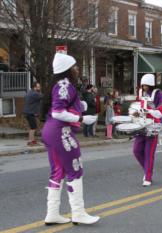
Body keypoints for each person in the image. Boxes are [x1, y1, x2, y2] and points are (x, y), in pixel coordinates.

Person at [41, 53, 99, 225]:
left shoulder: (58, 84)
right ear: (68, 69)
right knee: (75, 170)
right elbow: (58, 111)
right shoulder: (65, 84)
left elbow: (60, 106)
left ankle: (52, 214)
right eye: (75, 66)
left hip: (50, 131)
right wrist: (81, 119)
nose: (77, 69)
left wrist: (81, 106)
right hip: (61, 132)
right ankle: (78, 213)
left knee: (57, 172)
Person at [132, 74, 162, 186]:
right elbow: (140, 107)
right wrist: (138, 112)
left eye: (146, 85)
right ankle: (147, 170)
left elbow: (160, 113)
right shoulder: (142, 93)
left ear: (151, 84)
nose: (143, 87)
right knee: (136, 150)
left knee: (149, 153)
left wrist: (149, 111)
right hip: (142, 125)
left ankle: (148, 177)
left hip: (153, 126)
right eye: (142, 85)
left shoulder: (159, 94)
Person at [23, 81, 43, 146]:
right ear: (34, 87)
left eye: (39, 86)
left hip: (28, 112)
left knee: (33, 127)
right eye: (38, 87)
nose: (39, 88)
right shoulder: (35, 94)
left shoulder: (30, 92)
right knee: (33, 128)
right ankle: (31, 141)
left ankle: (32, 141)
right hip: (30, 113)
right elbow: (44, 97)